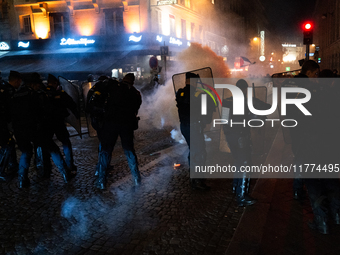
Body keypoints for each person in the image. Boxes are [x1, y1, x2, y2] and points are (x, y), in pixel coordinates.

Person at [87, 73, 142, 189]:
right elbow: (136, 108)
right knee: (129, 151)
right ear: (132, 82)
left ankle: (101, 181)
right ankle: (136, 178)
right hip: (126, 125)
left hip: (110, 124)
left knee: (106, 151)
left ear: (123, 80)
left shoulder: (112, 86)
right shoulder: (135, 92)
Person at [222, 79, 270, 206]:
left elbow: (224, 120)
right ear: (244, 89)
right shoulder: (249, 100)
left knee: (238, 161)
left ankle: (235, 187)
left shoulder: (227, 100)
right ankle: (242, 196)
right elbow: (267, 107)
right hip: (241, 136)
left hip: (230, 137)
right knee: (245, 164)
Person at [176, 72, 213, 190]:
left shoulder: (180, 93)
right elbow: (206, 114)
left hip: (184, 126)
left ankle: (194, 177)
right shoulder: (198, 95)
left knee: (193, 150)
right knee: (200, 152)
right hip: (194, 127)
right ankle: (197, 181)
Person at [289, 60, 320, 201]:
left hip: (294, 129)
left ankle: (298, 189)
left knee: (299, 158)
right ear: (308, 72)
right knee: (302, 160)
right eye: (315, 74)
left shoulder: (291, 84)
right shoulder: (306, 88)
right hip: (304, 130)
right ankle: (299, 190)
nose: (316, 77)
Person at [45, 74, 79, 173]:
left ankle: (46, 167)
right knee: (66, 143)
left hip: (47, 123)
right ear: (55, 83)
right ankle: (70, 165)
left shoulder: (43, 93)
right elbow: (71, 103)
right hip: (59, 122)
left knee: (47, 145)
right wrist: (75, 114)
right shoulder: (60, 93)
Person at [0, 71, 21, 180]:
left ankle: (12, 166)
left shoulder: (4, 88)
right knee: (8, 145)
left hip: (3, 123)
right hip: (2, 123)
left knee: (8, 144)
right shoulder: (6, 90)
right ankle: (2, 170)